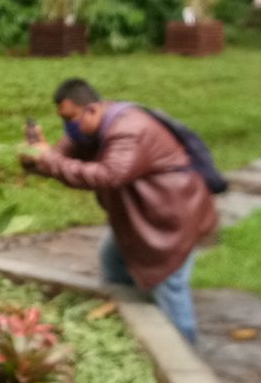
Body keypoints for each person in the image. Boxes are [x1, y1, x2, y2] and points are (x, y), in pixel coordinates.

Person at [20, 79, 218, 343]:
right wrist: (34, 157)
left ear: (91, 109)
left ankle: (187, 356)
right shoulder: (91, 128)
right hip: (139, 220)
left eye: (70, 118)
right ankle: (132, 330)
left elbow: (108, 176)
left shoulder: (129, 130)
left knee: (170, 287)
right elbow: (59, 159)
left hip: (170, 220)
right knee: (114, 265)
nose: (68, 127)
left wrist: (48, 159)